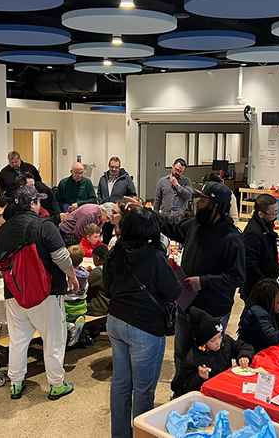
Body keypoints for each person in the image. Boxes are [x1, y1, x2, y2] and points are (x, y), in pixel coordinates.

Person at [131, 181, 245, 397]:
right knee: (182, 353)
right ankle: (180, 393)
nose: (198, 204)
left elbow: (237, 277)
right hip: (187, 304)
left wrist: (204, 281)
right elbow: (171, 227)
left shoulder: (232, 238)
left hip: (213, 309)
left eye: (203, 201)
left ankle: (207, 394)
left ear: (216, 206)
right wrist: (144, 210)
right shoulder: (195, 225)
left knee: (209, 355)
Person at [0, 186, 79, 401]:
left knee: (18, 340)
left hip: (15, 293)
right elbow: (61, 257)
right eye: (38, 201)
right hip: (46, 293)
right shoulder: (45, 226)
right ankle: (57, 384)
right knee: (54, 339)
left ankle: (16, 382)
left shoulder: (4, 229)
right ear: (33, 204)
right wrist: (72, 276)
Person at [103, 207, 181, 438]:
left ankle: (120, 434)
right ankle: (141, 434)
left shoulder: (114, 251)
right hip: (144, 326)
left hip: (116, 320)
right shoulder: (155, 256)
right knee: (144, 389)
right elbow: (174, 290)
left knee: (120, 383)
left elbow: (108, 287)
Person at [181, 306, 254, 393]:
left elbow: (243, 347)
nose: (218, 342)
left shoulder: (226, 341)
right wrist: (199, 377)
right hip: (210, 393)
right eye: (213, 340)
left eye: (220, 337)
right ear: (203, 342)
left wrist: (244, 356)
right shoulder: (192, 358)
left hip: (228, 385)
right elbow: (188, 387)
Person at [241, 194, 279, 301]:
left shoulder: (267, 226)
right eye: (273, 213)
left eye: (277, 211)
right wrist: (265, 285)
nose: (276, 216)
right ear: (261, 214)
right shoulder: (253, 233)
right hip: (256, 289)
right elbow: (250, 265)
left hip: (267, 282)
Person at [64, 244, 89, 347]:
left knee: (55, 320)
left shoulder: (67, 275)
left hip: (68, 308)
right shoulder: (85, 273)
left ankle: (70, 326)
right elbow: (86, 288)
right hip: (82, 306)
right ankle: (79, 327)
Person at [86, 244, 109, 317]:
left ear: (97, 258)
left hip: (98, 308)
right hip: (110, 305)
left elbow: (85, 284)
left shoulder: (97, 272)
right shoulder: (111, 268)